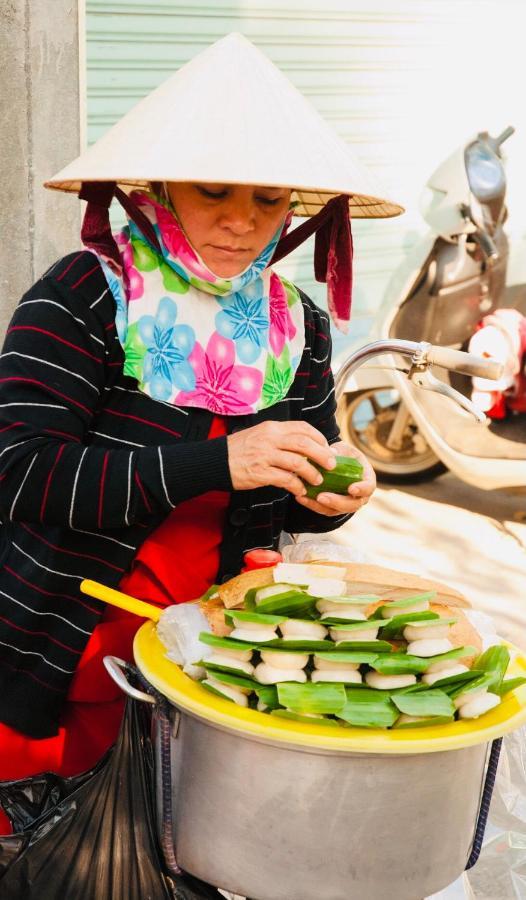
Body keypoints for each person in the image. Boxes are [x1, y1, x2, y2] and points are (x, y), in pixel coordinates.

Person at [0, 33, 403, 830]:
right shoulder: (87, 294)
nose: (242, 224)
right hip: (62, 646)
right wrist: (217, 461)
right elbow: (22, 474)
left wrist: (337, 493)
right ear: (164, 187)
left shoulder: (296, 327)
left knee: (160, 842)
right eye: (215, 191)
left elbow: (287, 496)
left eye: (268, 201)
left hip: (203, 658)